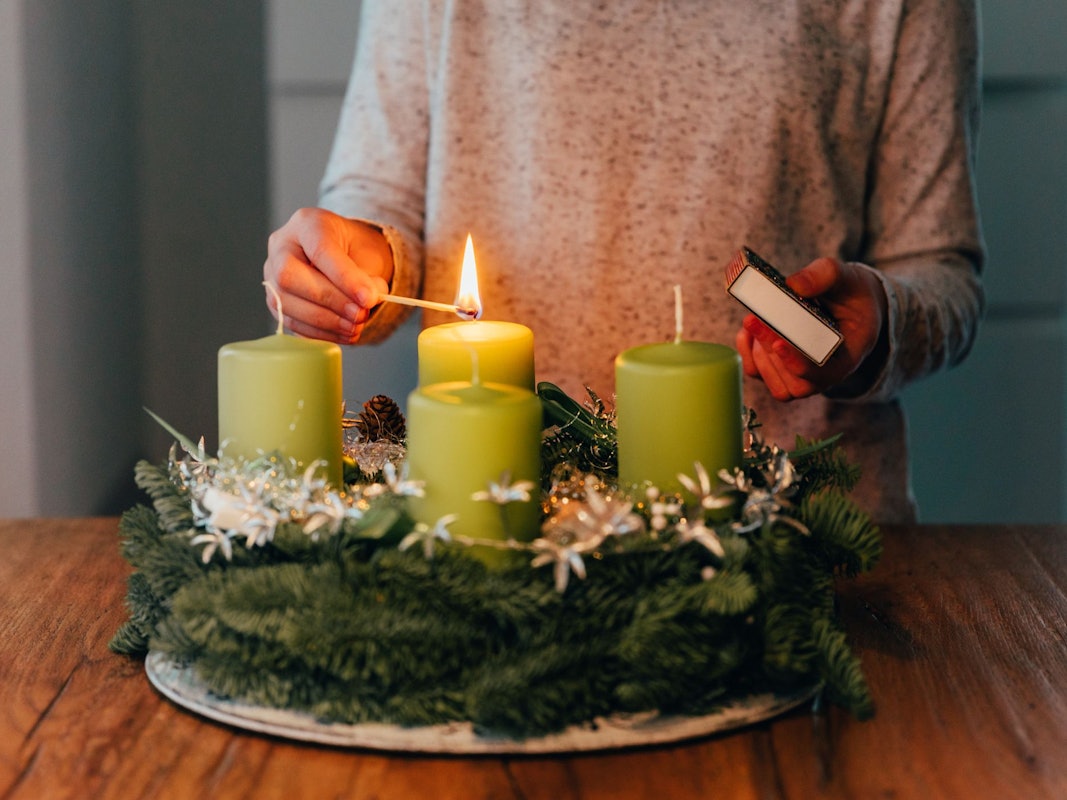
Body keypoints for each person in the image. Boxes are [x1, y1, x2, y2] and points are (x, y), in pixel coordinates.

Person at [263, 1, 984, 524]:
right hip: (502, 532)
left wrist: (878, 326)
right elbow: (377, 197)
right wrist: (354, 264)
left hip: (794, 544)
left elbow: (939, 267)